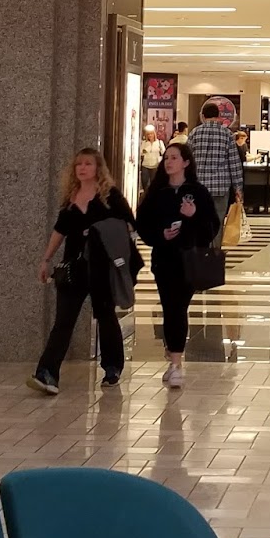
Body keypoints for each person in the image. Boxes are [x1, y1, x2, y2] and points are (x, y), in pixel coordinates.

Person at [30, 148, 136, 395]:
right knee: (63, 321)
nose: (82, 168)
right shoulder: (71, 199)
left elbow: (129, 224)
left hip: (102, 267)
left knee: (106, 316)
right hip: (74, 267)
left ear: (98, 168)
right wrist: (46, 259)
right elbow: (60, 231)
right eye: (78, 164)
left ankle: (112, 367)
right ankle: (47, 373)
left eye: (88, 164)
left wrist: (102, 231)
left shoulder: (110, 196)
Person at [135, 143, 219, 389]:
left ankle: (176, 362)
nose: (169, 162)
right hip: (164, 259)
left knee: (178, 308)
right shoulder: (156, 193)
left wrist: (193, 216)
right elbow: (143, 225)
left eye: (174, 158)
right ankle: (173, 353)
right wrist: (160, 234)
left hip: (189, 260)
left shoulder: (198, 192)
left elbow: (211, 228)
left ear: (186, 163)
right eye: (166, 158)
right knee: (169, 306)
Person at [187, 101, 244, 228]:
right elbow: (234, 164)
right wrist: (238, 189)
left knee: (199, 222)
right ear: (219, 116)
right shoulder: (227, 134)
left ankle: (202, 241)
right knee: (217, 222)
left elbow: (187, 160)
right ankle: (216, 242)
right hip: (220, 188)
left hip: (199, 187)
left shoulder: (194, 133)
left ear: (203, 116)